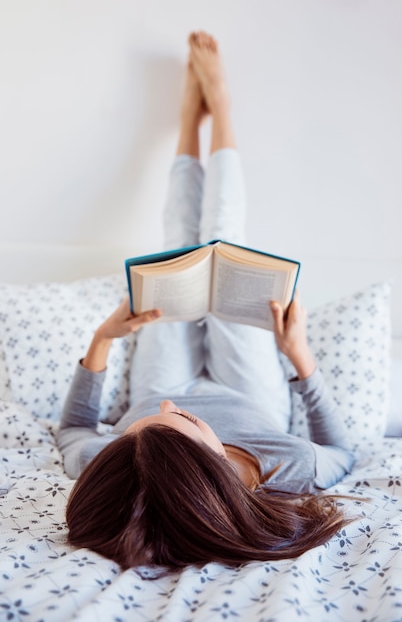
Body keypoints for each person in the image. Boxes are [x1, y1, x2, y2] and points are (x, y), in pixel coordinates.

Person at [58, 31, 355, 572]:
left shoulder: (119, 463)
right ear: (212, 465)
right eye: (185, 421)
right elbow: (342, 452)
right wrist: (298, 354)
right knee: (220, 239)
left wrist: (102, 340)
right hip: (253, 395)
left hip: (156, 372)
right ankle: (221, 110)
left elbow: (74, 432)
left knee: (177, 246)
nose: (169, 406)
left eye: (143, 426)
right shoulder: (283, 467)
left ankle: (188, 122)